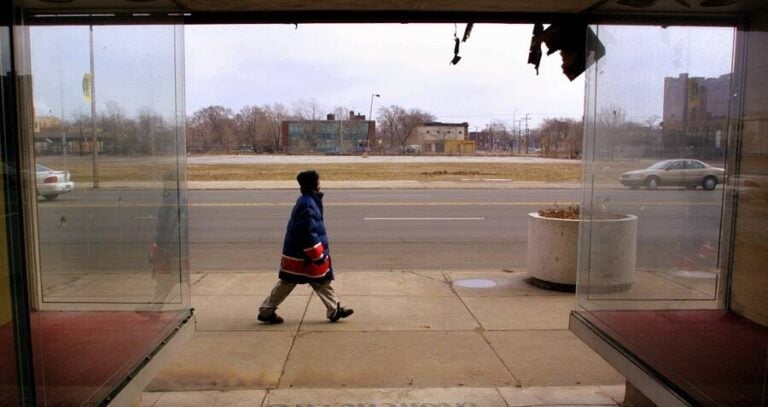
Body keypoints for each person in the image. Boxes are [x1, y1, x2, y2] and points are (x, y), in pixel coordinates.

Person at [258, 170, 354, 324]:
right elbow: (307, 233)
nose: (320, 183)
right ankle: (266, 311)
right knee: (294, 282)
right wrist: (316, 255)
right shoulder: (307, 204)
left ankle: (334, 309)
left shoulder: (308, 200)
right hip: (303, 255)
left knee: (319, 281)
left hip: (301, 253)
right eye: (318, 180)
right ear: (314, 184)